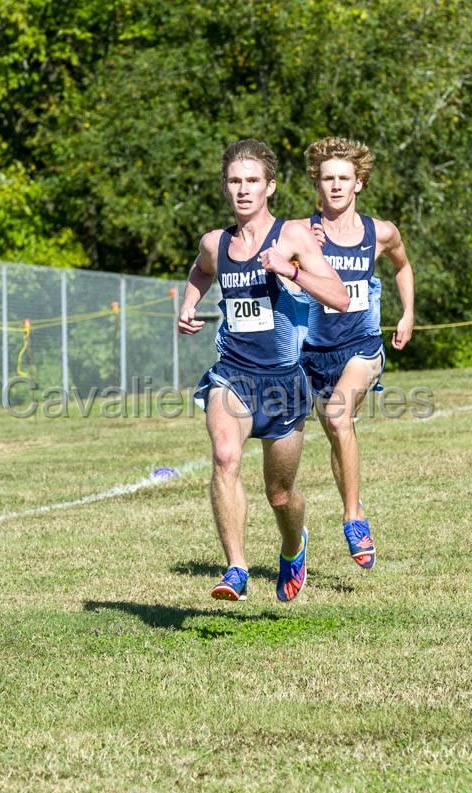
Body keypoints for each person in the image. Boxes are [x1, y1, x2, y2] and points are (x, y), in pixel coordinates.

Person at [178, 140, 349, 603]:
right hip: (232, 373)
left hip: (283, 383)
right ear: (225, 188)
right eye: (235, 181)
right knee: (226, 458)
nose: (243, 190)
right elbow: (200, 270)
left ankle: (294, 548)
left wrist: (290, 272)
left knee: (280, 494)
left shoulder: (291, 236)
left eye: (252, 181)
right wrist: (189, 304)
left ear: (270, 186)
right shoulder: (216, 243)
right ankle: (236, 568)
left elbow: (339, 297)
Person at [292, 136, 414, 570]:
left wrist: (407, 315)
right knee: (337, 433)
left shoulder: (380, 232)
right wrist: (303, 256)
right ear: (317, 184)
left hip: (362, 348)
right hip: (314, 353)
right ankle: (355, 503)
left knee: (340, 418)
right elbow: (277, 283)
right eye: (328, 179)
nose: (336, 186)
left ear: (359, 182)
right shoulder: (301, 233)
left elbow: (403, 266)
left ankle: (353, 519)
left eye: (344, 178)